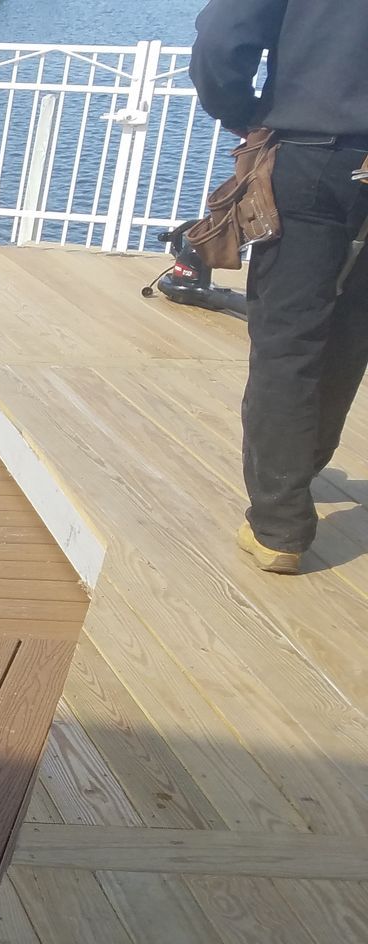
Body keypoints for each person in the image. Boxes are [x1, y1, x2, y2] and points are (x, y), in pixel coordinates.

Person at [191, 0, 368, 574]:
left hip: (316, 153)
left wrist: (244, 112)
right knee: (352, 331)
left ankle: (280, 527)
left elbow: (223, 38)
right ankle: (304, 466)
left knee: (289, 340)